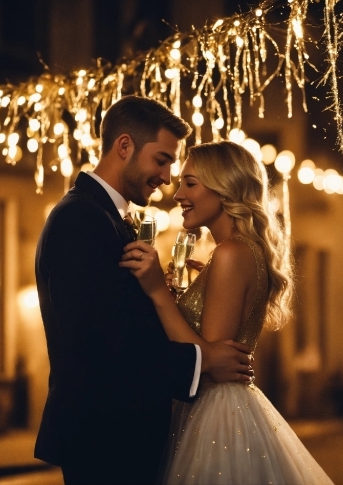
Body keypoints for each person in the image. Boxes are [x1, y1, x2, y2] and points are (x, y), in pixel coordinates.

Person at [34, 96, 254, 485]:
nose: (167, 178)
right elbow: (103, 343)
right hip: (105, 437)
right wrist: (201, 362)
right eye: (162, 160)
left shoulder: (105, 216)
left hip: (122, 435)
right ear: (124, 146)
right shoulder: (82, 219)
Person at [120, 140, 335, 484]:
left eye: (190, 183)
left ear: (225, 188)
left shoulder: (231, 253)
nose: (177, 195)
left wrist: (158, 291)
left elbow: (209, 360)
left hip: (215, 412)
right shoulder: (236, 251)